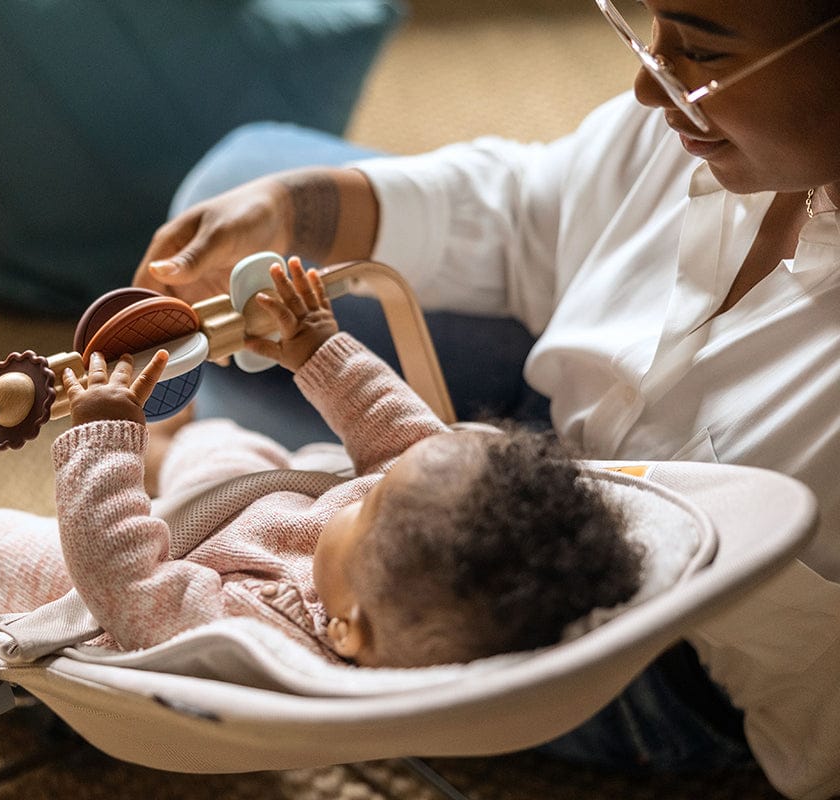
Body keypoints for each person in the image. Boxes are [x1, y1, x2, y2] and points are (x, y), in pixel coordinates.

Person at [130, 1, 840, 796]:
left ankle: (189, 464)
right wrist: (299, 210)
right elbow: (534, 205)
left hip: (654, 642)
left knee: (238, 556)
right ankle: (210, 446)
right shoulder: (684, 122)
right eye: (645, 25)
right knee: (239, 186)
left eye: (702, 50)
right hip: (559, 444)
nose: (648, 83)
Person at [0, 257, 641, 669]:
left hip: (128, 568)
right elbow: (407, 446)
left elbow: (129, 585)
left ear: (347, 627)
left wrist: (102, 441)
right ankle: (169, 447)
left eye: (366, 508)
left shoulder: (251, 637)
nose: (360, 494)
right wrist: (317, 349)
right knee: (230, 446)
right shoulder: (393, 566)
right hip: (251, 501)